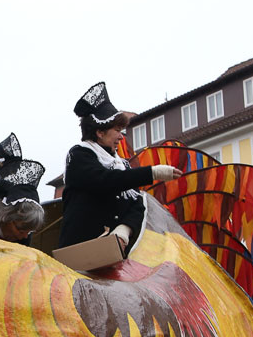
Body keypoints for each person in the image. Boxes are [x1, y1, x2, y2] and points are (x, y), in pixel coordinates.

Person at [58, 82, 181, 254]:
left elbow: (137, 203)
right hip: (80, 253)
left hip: (113, 255)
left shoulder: (122, 164)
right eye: (117, 130)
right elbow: (105, 180)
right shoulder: (79, 156)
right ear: (100, 132)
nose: (121, 137)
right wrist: (152, 172)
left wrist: (124, 230)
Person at [0, 160, 46, 244]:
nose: (25, 236)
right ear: (5, 217)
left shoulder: (24, 239)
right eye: (20, 230)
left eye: (29, 232)